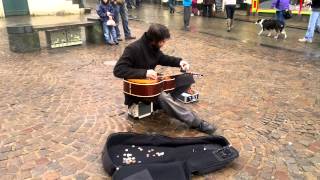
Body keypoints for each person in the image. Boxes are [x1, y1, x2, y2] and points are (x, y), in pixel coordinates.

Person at [113, 24, 216, 134]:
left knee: (186, 79)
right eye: (162, 41)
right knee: (163, 97)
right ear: (154, 40)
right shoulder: (133, 49)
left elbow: (163, 58)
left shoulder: (153, 47)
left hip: (153, 88)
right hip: (140, 93)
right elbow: (118, 70)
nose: (164, 44)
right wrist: (145, 73)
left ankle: (165, 106)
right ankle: (197, 123)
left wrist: (179, 62)